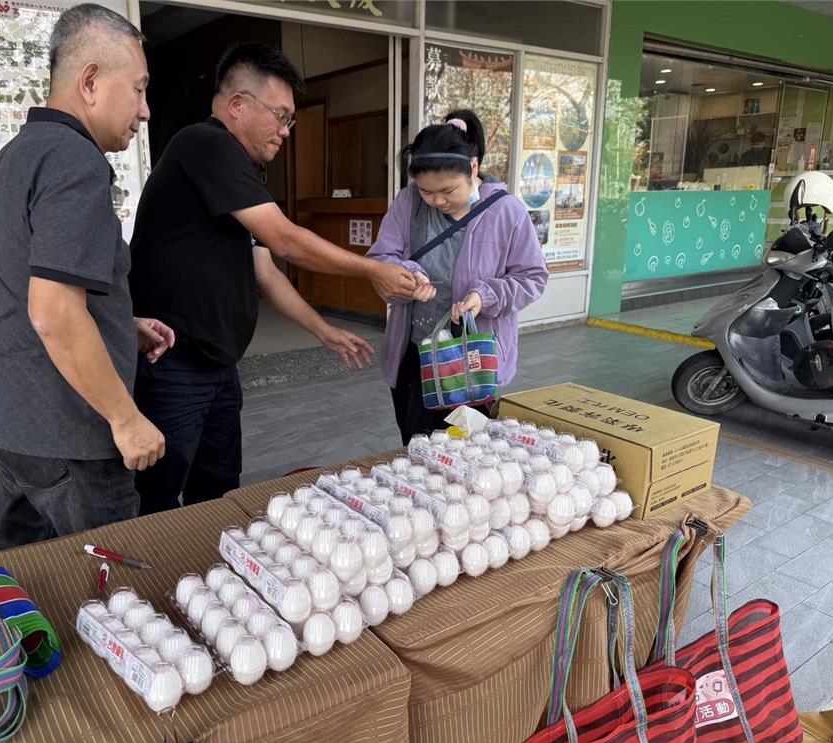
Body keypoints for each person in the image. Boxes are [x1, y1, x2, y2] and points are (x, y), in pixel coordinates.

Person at [129, 41, 418, 513]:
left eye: (290, 120)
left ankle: (211, 577)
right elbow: (284, 238)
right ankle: (150, 581)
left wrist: (322, 330)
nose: (285, 131)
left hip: (218, 363)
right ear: (238, 105)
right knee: (158, 494)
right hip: (173, 360)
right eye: (281, 115)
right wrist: (372, 270)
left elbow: (265, 267)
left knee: (219, 486)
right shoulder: (205, 143)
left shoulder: (238, 171)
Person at [0, 4, 172, 550]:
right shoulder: (75, 161)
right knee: (109, 594)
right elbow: (52, 312)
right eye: (140, 89)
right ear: (92, 81)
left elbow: (30, 286)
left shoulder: (17, 154)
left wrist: (120, 323)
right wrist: (126, 420)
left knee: (30, 579)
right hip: (65, 430)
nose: (145, 111)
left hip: (6, 419)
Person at [366, 109, 549, 444]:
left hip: (473, 360)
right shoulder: (408, 203)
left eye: (447, 190)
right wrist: (408, 275)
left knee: (469, 450)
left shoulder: (507, 212)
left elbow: (531, 277)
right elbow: (381, 259)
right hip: (415, 357)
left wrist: (485, 296)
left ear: (473, 168)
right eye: (426, 191)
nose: (436, 201)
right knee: (417, 447)